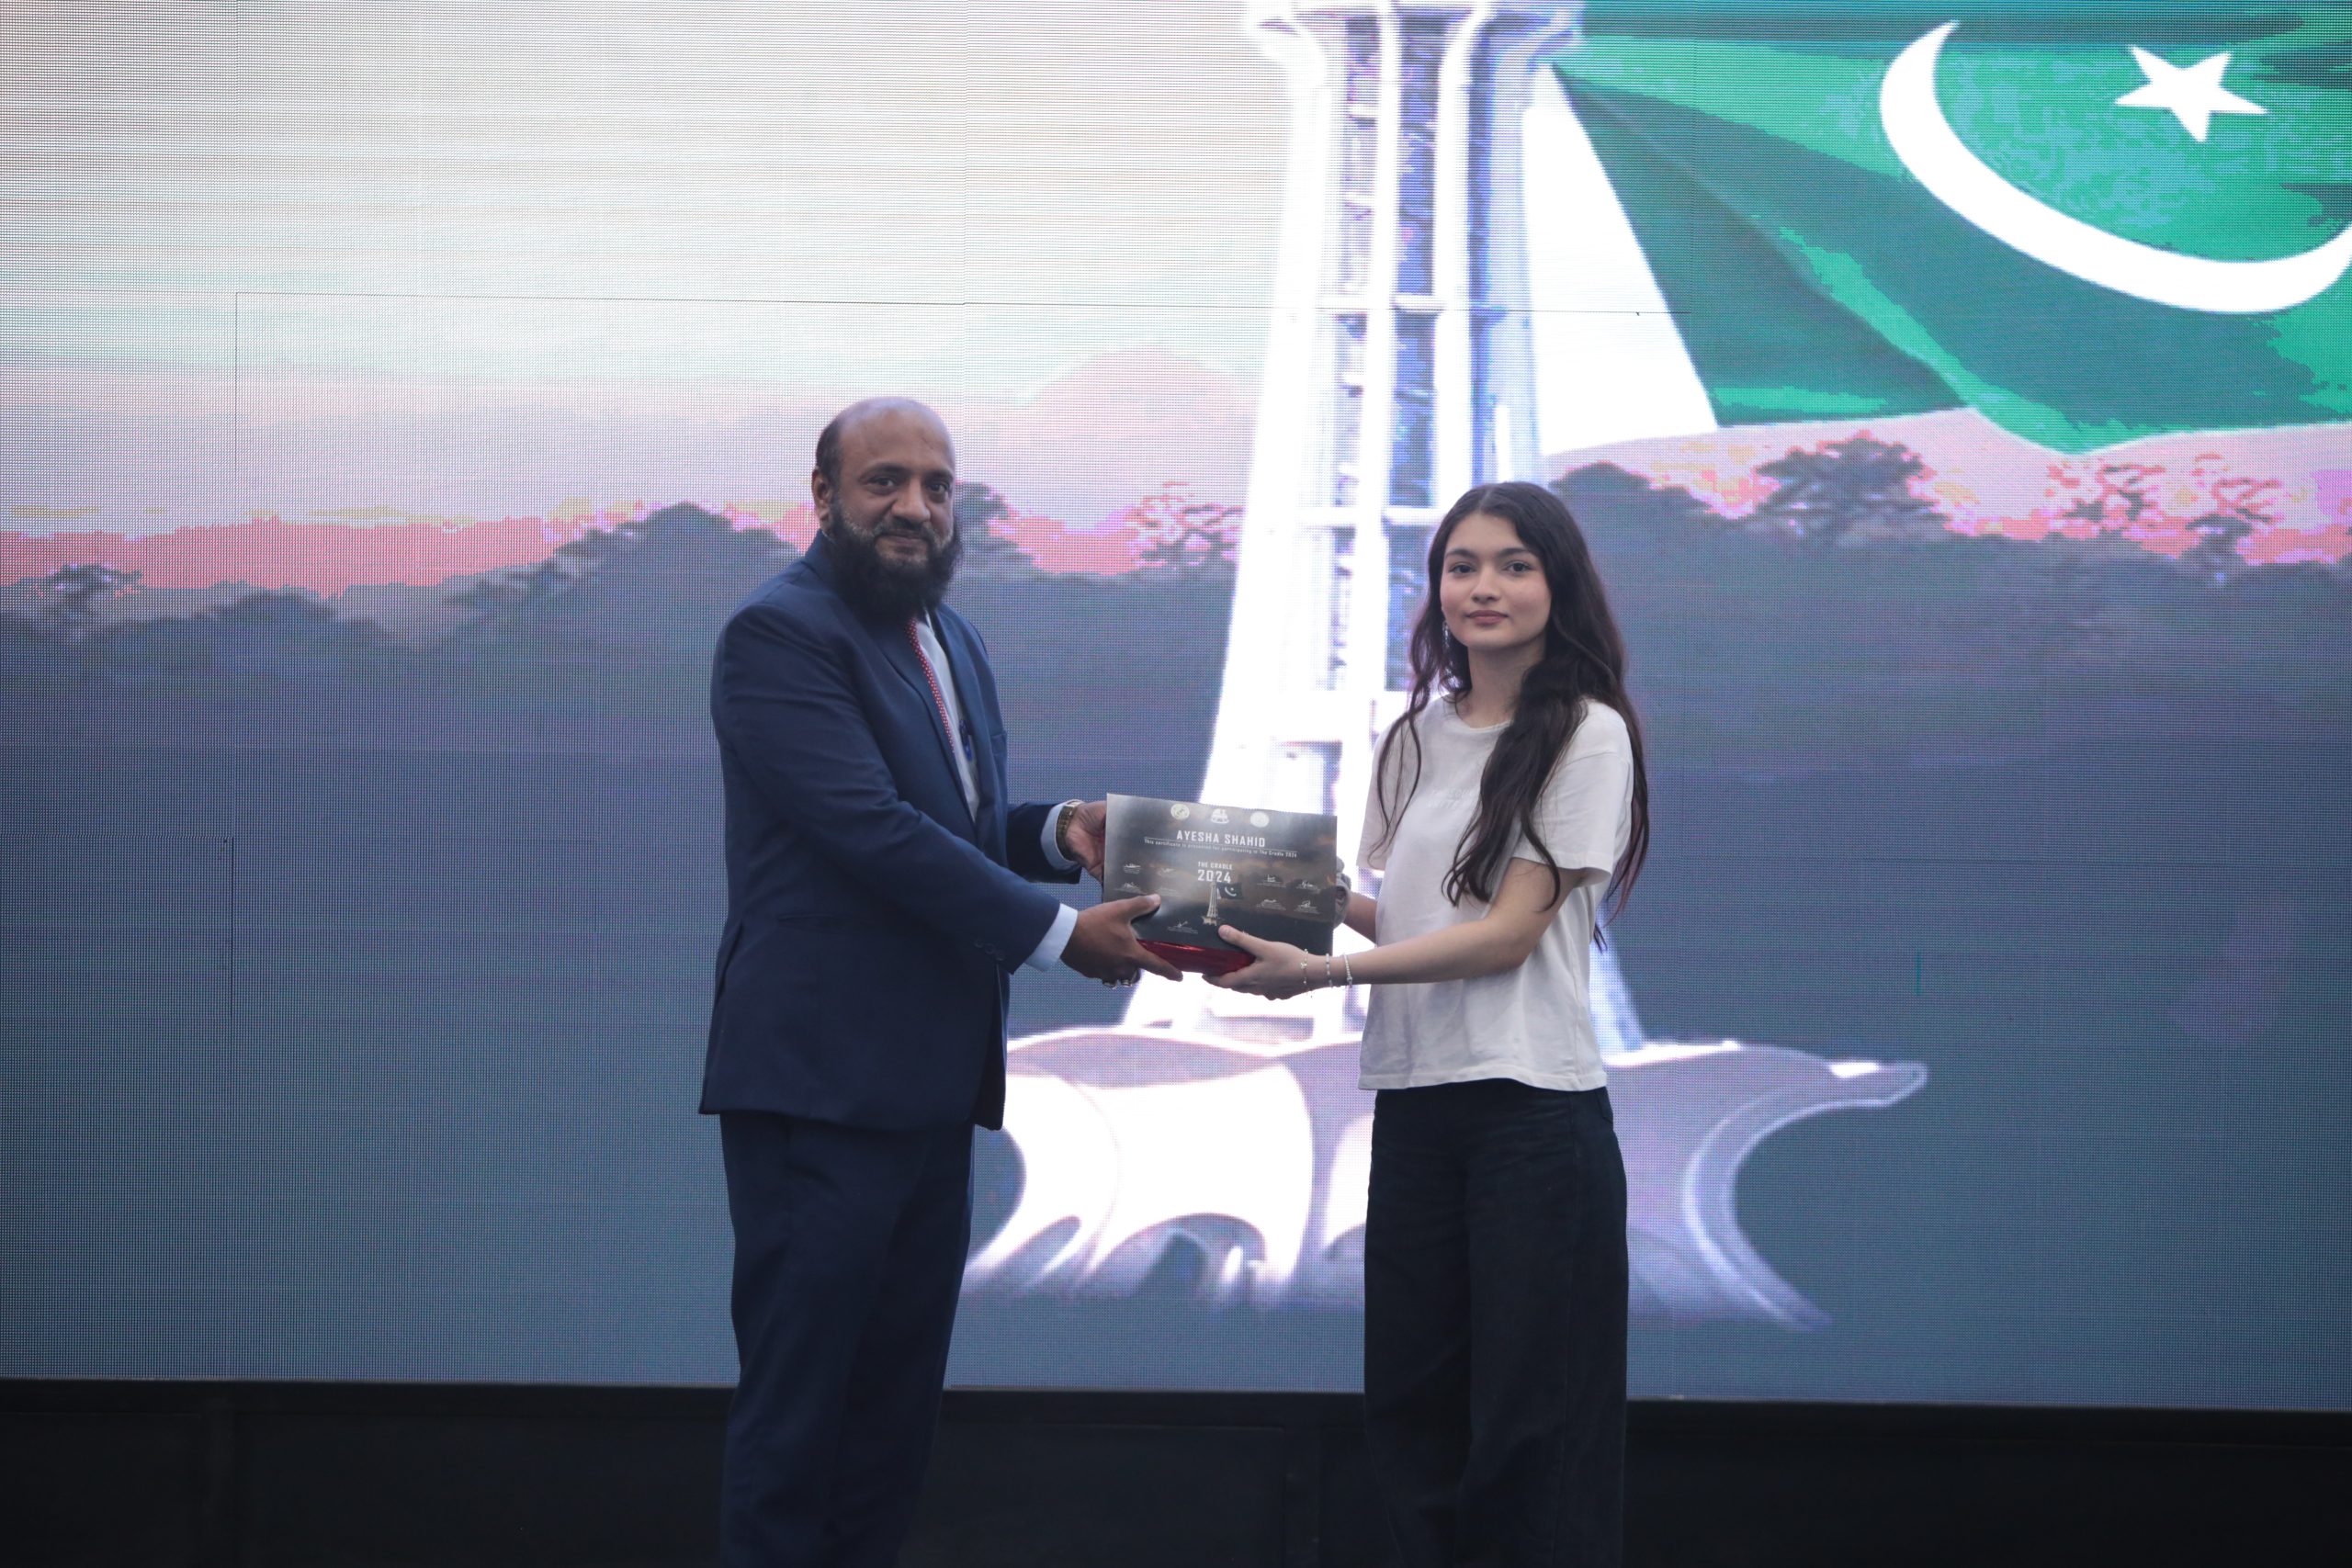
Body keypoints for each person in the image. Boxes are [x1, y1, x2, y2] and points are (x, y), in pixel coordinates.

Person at [702, 397, 1178, 1567]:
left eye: (935, 485)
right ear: (824, 497)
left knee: (889, 1424)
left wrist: (1058, 831)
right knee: (799, 1421)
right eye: (884, 482)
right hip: (820, 1092)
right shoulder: (777, 636)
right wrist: (1061, 937)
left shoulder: (947, 637)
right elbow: (871, 830)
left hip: (928, 1090)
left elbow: (954, 827)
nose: (913, 506)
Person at [1212, 479, 1649, 1567]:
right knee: (1412, 1415)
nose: (1483, 587)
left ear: (1558, 585)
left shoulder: (1586, 733)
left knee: (1529, 1431)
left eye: (1513, 565)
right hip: (1415, 1111)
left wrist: (1320, 972)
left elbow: (1504, 937)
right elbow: (1408, 919)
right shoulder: (1413, 736)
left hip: (1531, 1118)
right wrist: (1249, 886)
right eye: (1462, 566)